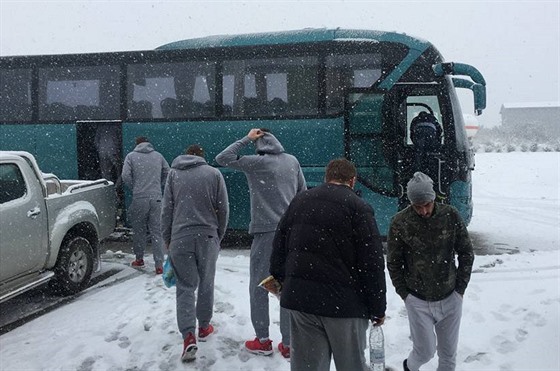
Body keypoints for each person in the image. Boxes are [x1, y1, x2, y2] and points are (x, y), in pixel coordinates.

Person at [269, 158, 387, 371]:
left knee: (307, 366)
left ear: (326, 177)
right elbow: (372, 263)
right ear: (352, 181)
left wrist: (280, 279)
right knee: (351, 366)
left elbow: (279, 245)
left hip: (302, 302)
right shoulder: (359, 208)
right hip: (345, 306)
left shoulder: (300, 200)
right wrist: (377, 307)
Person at [215, 128, 306, 358]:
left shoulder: (256, 162)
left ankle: (263, 340)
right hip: (290, 232)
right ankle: (288, 343)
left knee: (260, 285)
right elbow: (302, 193)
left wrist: (246, 138)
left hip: (266, 232)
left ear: (259, 145)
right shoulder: (292, 161)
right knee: (286, 286)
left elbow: (222, 158)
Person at [387, 172, 474, 371]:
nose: (423, 210)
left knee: (448, 355)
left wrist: (460, 290)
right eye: (418, 206)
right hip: (417, 299)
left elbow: (466, 252)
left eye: (427, 204)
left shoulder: (450, 215)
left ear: (433, 198)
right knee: (425, 351)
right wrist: (405, 294)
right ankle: (410, 366)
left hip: (450, 296)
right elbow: (393, 262)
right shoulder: (400, 222)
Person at [161, 144, 229, 362]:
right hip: (208, 237)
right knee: (206, 283)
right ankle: (205, 327)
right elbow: (224, 209)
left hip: (180, 238)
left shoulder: (173, 174)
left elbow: (167, 210)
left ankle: (188, 335)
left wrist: (167, 239)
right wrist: (218, 235)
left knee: (185, 287)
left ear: (185, 156)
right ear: (202, 157)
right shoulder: (214, 173)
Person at [121, 136, 169, 274]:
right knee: (157, 232)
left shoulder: (131, 156)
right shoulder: (158, 156)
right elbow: (168, 172)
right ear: (149, 143)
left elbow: (125, 176)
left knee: (139, 230)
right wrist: (159, 185)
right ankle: (159, 265)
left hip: (139, 198)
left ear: (137, 144)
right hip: (156, 198)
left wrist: (135, 187)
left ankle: (139, 259)